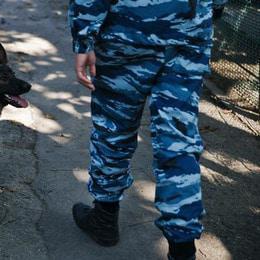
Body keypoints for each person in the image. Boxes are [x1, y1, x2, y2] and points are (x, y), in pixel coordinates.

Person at [67, 0, 227, 259]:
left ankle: (104, 218)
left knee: (113, 128)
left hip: (127, 27)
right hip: (188, 30)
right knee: (179, 140)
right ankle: (183, 250)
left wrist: (83, 36)